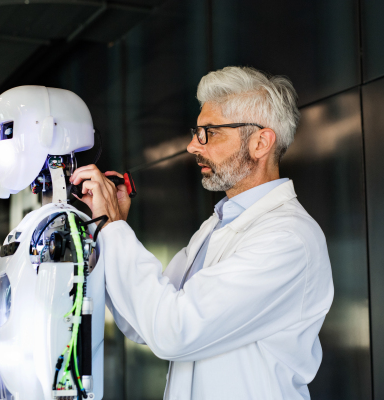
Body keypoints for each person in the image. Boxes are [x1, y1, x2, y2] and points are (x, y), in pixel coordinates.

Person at [70, 66, 334, 400]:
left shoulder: (287, 239)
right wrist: (109, 230)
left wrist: (115, 229)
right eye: (196, 131)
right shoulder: (218, 225)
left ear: (260, 142)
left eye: (208, 132)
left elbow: (173, 330)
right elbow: (143, 323)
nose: (193, 146)